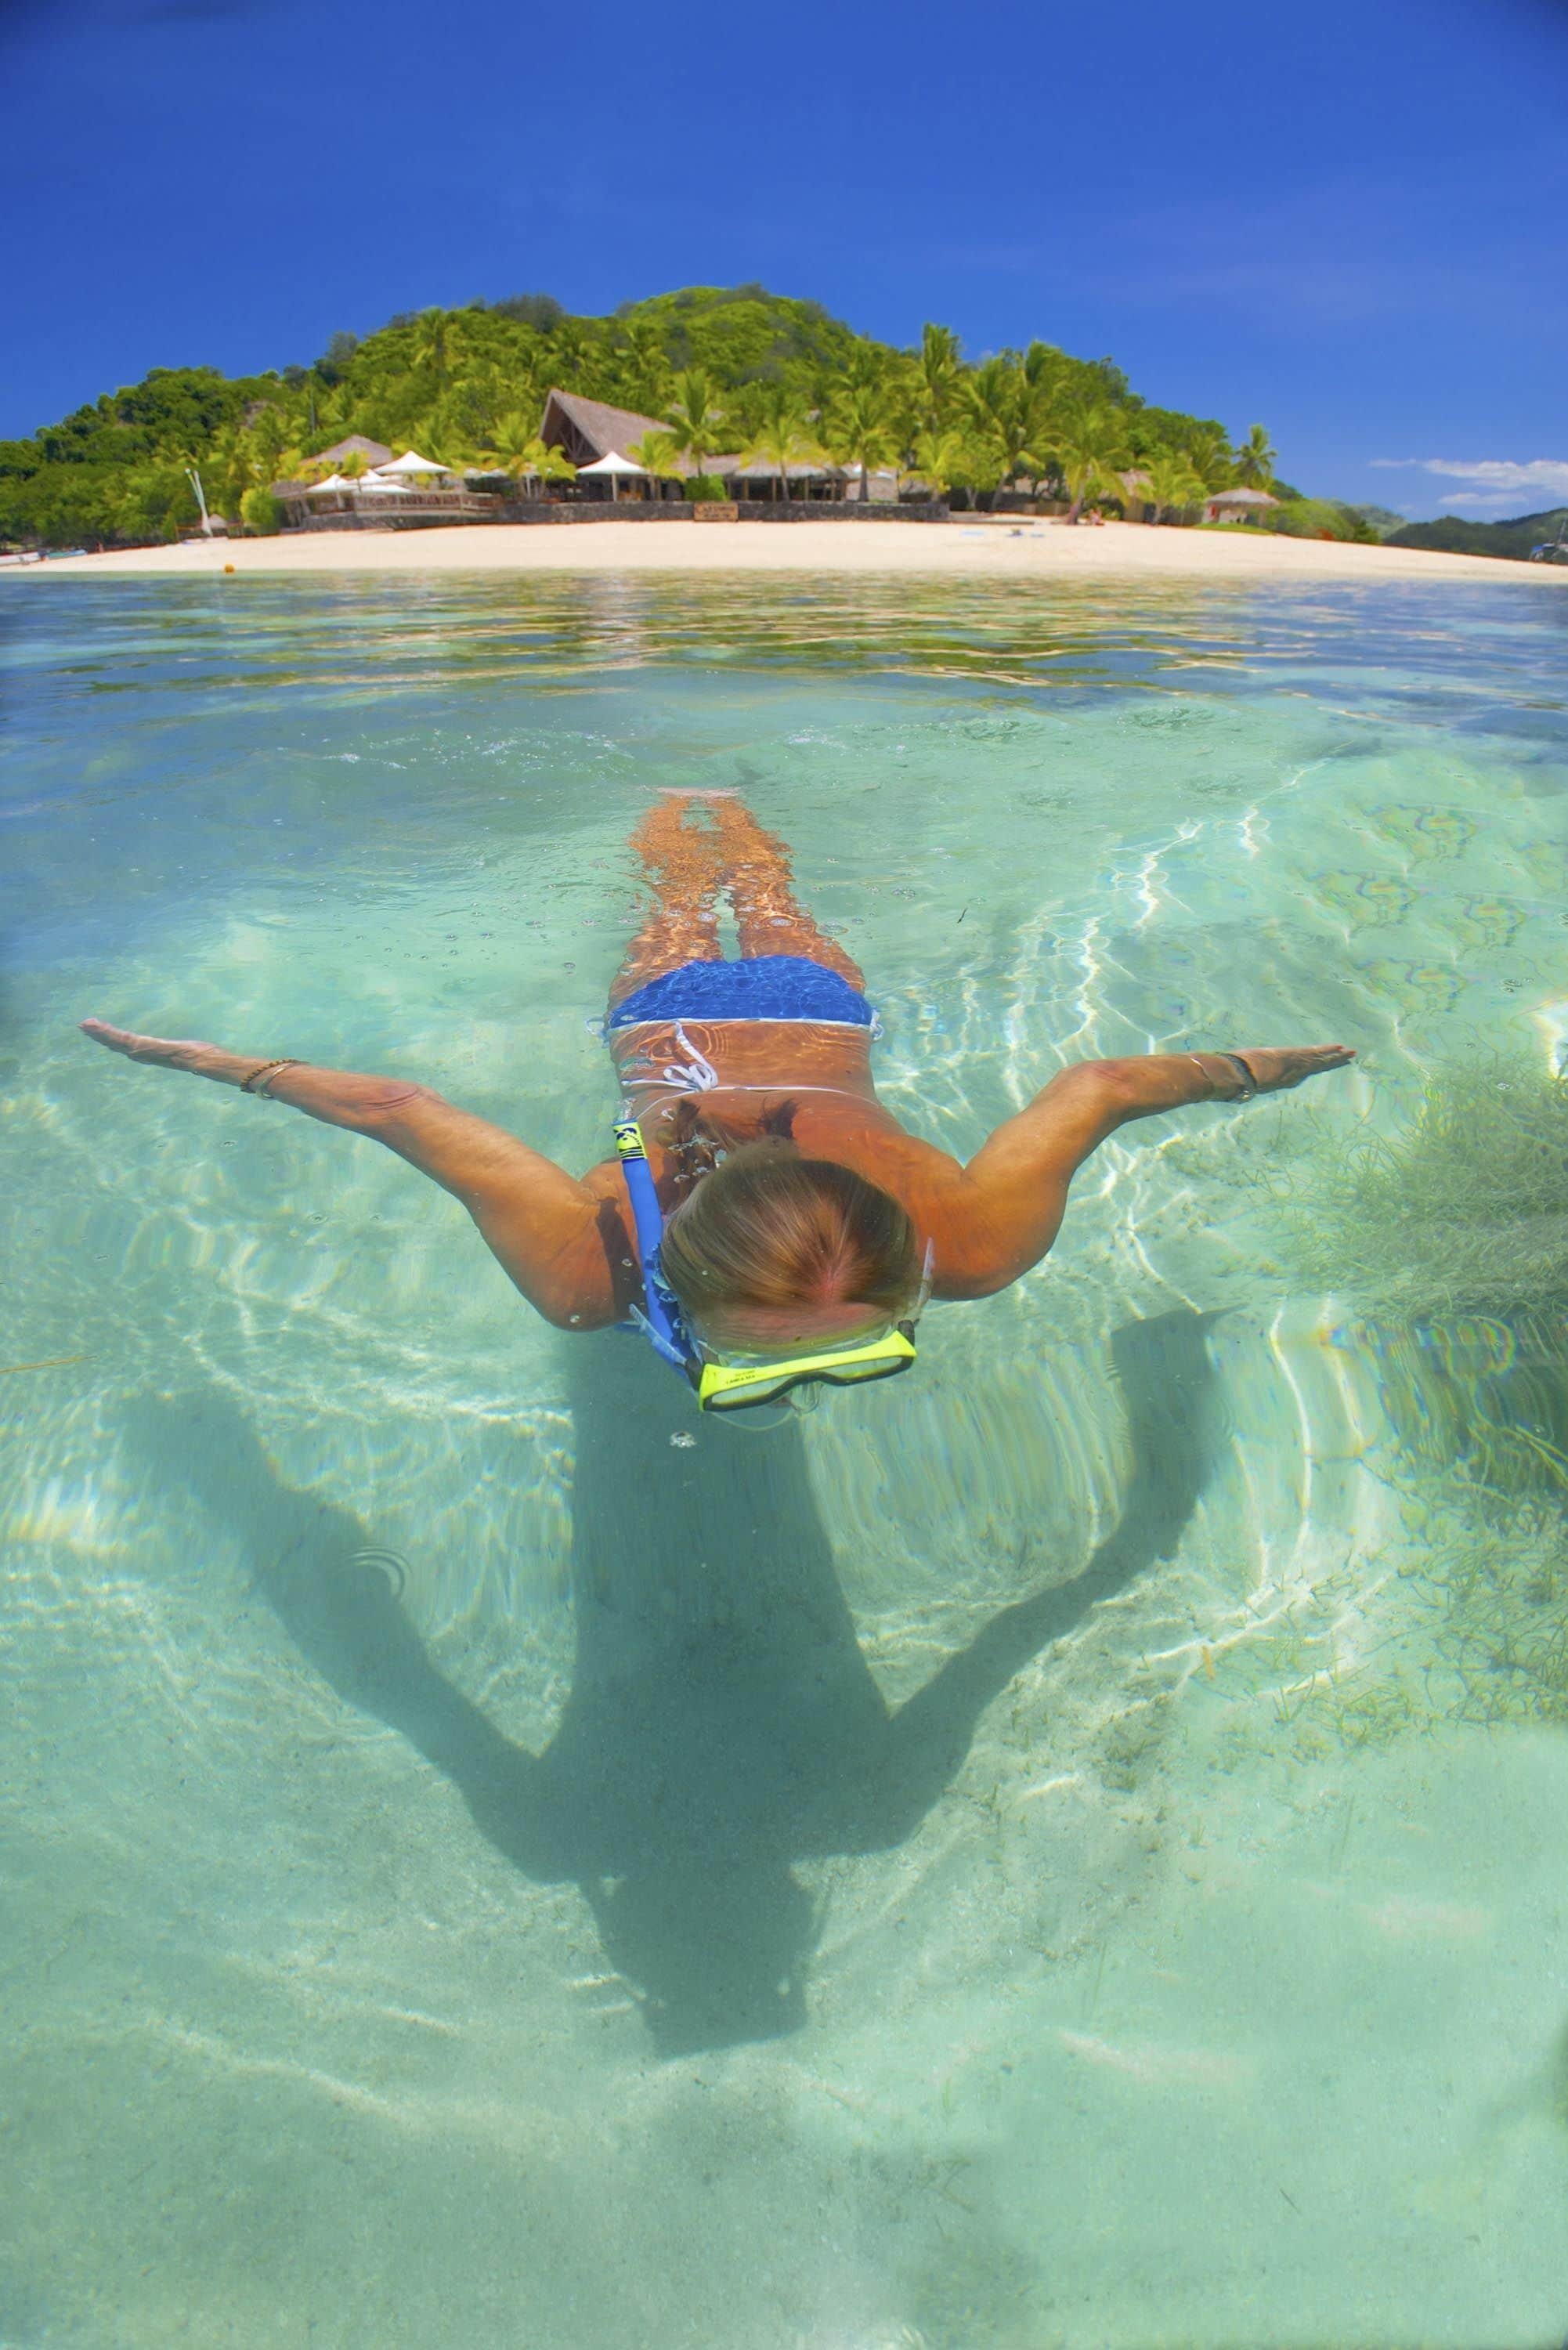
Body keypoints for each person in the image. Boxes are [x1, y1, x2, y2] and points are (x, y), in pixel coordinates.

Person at [82, 793, 1353, 1411]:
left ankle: (698, 788)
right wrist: (215, 1063)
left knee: (721, 884)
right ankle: (705, 793)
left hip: (807, 1013)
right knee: (706, 887)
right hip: (674, 1023)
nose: (800, 1377)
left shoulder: (966, 1243)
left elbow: (1104, 1086)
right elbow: (401, 1108)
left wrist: (1268, 1066)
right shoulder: (587, 1274)